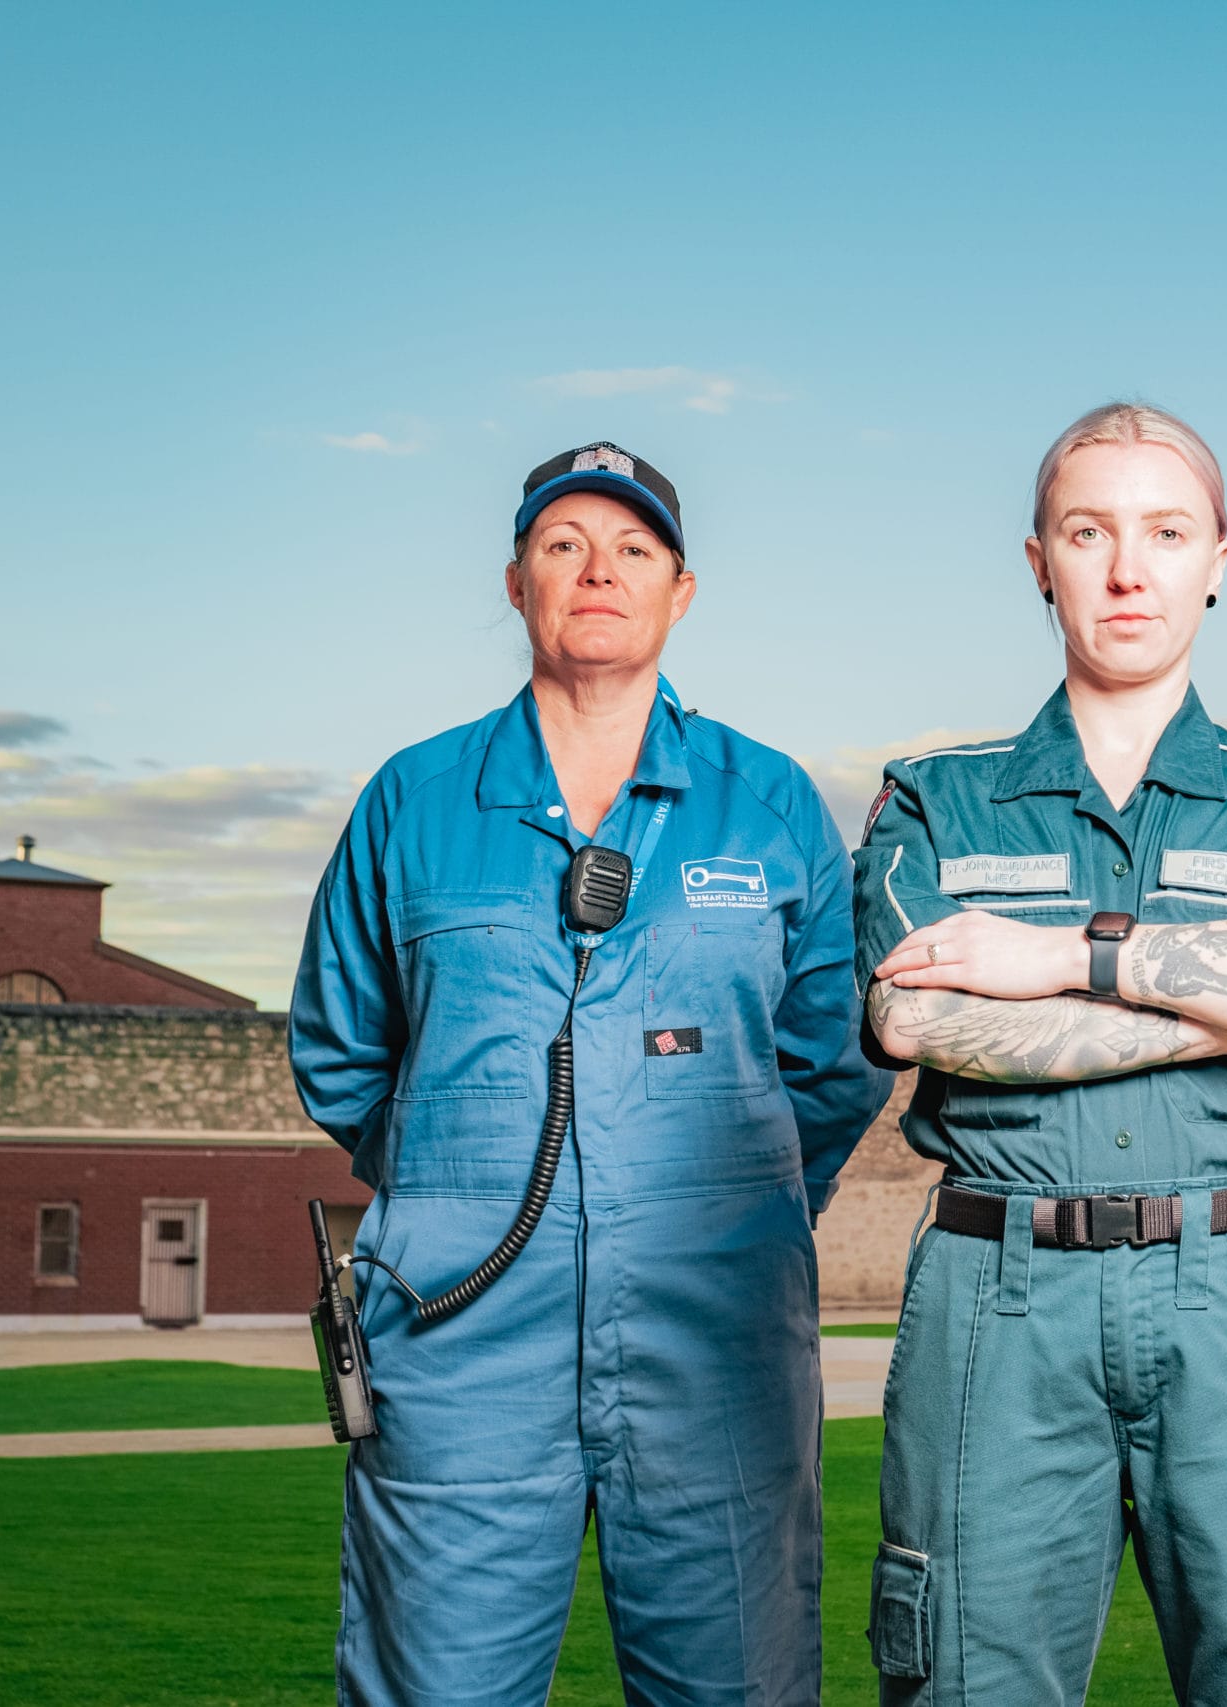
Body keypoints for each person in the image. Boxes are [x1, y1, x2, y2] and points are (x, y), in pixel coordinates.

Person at [289, 442, 889, 1706]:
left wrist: (735, 1202)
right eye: (563, 545)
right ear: (517, 584)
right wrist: (466, 1181)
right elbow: (341, 1051)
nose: (596, 571)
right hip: (458, 1342)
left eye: (632, 550)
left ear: (681, 591)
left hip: (714, 1342)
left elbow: (832, 1064)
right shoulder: (414, 799)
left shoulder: (769, 804)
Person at [854, 403, 1227, 1704]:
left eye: (1165, 531)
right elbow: (919, 1021)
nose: (1126, 567)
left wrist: (1055, 958)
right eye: (1088, 529)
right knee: (961, 1679)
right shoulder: (936, 795)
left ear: (1218, 555)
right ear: (1038, 556)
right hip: (996, 1294)